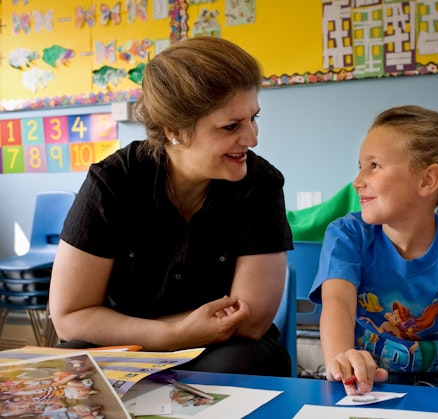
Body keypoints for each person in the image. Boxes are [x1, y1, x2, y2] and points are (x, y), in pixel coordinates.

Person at [49, 36, 293, 377]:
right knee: (72, 365)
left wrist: (164, 332)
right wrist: (173, 335)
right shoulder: (113, 182)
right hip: (126, 346)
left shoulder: (261, 185)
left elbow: (249, 323)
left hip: (225, 347)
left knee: (240, 364)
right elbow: (70, 318)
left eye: (253, 118)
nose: (252, 138)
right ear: (175, 130)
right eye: (231, 126)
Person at [309, 105, 438, 394]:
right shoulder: (346, 235)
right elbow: (338, 301)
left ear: (427, 180)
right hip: (363, 385)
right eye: (360, 166)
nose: (357, 181)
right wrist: (342, 357)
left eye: (374, 165)